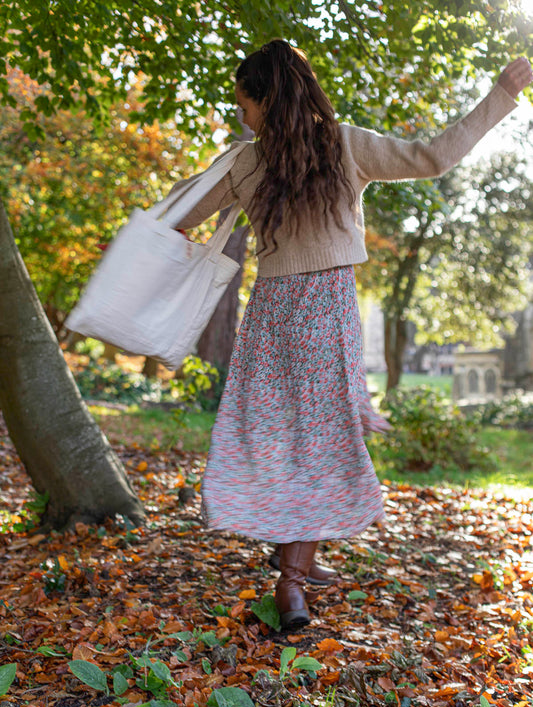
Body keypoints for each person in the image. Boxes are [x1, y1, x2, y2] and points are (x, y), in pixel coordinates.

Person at [174, 41, 532, 630]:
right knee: (318, 440)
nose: (242, 116)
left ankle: (299, 558)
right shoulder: (344, 143)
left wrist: (166, 236)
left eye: (245, 104)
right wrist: (500, 96)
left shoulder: (245, 161)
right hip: (326, 312)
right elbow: (433, 156)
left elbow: (183, 210)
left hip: (272, 315)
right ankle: (291, 583)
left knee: (279, 432)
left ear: (268, 98)